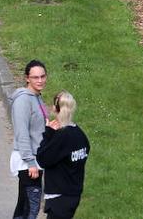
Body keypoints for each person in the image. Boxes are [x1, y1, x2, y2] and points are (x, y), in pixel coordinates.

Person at [36, 91, 90, 219]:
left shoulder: (61, 136)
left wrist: (48, 133)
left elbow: (42, 159)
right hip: (74, 194)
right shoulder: (79, 134)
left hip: (59, 197)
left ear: (55, 108)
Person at [10, 60, 49, 219]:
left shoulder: (36, 96)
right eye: (35, 77)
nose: (40, 80)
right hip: (28, 162)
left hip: (36, 159)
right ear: (27, 78)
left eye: (42, 76)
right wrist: (30, 162)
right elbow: (22, 133)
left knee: (26, 207)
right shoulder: (23, 100)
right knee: (30, 208)